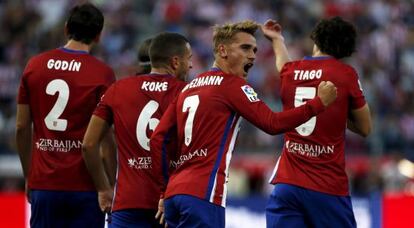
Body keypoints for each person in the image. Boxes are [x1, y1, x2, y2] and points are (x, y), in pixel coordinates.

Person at [150, 20, 337, 228]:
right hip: (204, 193)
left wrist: (163, 190)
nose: (253, 55)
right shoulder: (232, 85)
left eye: (255, 50)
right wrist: (317, 104)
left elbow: (158, 138)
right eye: (245, 48)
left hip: (173, 196)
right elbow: (272, 123)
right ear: (222, 50)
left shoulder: (187, 88)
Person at [262, 17, 372, 228]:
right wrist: (336, 112)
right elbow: (365, 128)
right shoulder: (345, 74)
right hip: (327, 187)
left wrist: (277, 40)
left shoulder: (291, 72)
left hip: (287, 186)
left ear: (316, 40)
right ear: (346, 49)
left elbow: (282, 64)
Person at [15, 3, 115, 227]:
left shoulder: (35, 66)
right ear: (98, 36)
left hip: (45, 183)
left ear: (66, 28)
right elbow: (106, 137)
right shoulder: (102, 73)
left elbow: (22, 126)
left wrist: (29, 174)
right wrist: (108, 185)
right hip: (85, 187)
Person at [82, 32, 192, 227]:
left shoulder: (118, 89)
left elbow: (89, 144)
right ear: (175, 62)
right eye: (188, 59)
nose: (190, 65)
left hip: (127, 202)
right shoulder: (188, 93)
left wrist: (103, 188)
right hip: (171, 202)